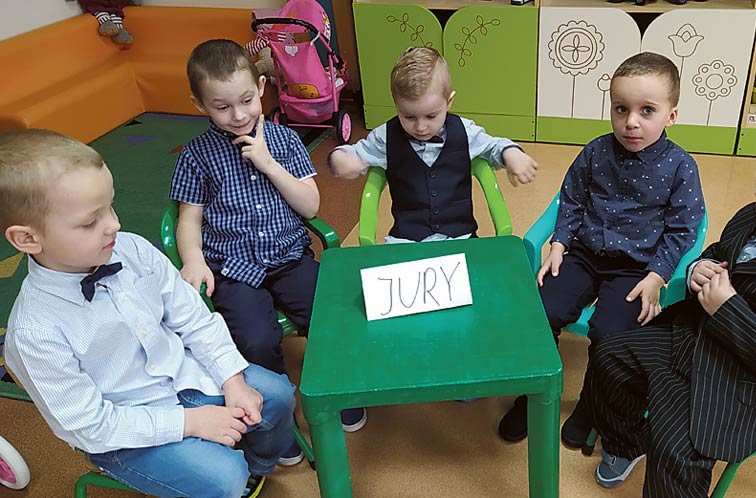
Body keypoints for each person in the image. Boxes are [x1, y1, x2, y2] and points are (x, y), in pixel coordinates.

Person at [0, 129, 297, 498]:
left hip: (184, 376)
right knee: (226, 478)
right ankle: (234, 476)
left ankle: (257, 467)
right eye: (90, 222)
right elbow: (92, 425)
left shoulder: (133, 249)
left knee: (278, 395)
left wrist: (232, 380)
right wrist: (191, 422)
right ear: (27, 239)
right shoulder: (34, 332)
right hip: (124, 430)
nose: (114, 224)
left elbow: (194, 319)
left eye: (110, 206)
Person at [585, 123, 756, 497]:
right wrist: (699, 266)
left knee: (675, 451)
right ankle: (627, 444)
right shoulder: (752, 216)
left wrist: (728, 309)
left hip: (742, 383)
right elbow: (720, 252)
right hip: (693, 338)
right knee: (608, 357)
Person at [497, 52, 705, 446]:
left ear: (672, 115)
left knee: (611, 334)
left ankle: (592, 404)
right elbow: (571, 199)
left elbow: (684, 230)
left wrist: (657, 276)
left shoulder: (681, 166)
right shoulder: (595, 150)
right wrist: (559, 243)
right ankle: (534, 393)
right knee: (541, 310)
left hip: (636, 269)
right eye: (621, 108)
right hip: (584, 253)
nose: (631, 122)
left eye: (647, 110)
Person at [169, 39, 365, 451]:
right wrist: (193, 260)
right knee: (255, 340)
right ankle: (277, 420)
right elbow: (189, 219)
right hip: (233, 269)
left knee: (331, 317)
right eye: (222, 107)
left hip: (289, 257)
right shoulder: (196, 156)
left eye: (246, 100)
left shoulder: (285, 140)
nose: (239, 115)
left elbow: (310, 205)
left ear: (261, 87)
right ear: (199, 105)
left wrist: (268, 163)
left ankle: (339, 391)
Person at [328, 46, 539, 243]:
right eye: (409, 116)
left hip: (460, 237)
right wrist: (340, 159)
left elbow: (493, 146)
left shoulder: (465, 132)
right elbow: (351, 153)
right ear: (396, 104)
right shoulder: (386, 136)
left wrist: (511, 153)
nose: (421, 127)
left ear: (449, 102)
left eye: (431, 116)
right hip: (406, 241)